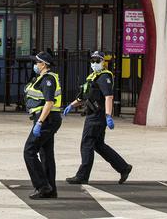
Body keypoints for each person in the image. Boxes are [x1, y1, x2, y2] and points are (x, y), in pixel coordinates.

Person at [64, 51, 133, 185]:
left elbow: (109, 97)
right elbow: (84, 96)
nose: (94, 63)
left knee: (87, 144)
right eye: (92, 60)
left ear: (103, 62)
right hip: (93, 114)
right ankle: (123, 167)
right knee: (98, 145)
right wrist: (71, 105)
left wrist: (108, 115)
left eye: (97, 60)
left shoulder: (104, 77)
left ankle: (82, 176)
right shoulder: (93, 77)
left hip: (97, 116)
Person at [23, 51, 63, 199]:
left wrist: (39, 123)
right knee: (46, 153)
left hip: (46, 119)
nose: (35, 65)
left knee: (29, 151)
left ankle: (42, 186)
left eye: (37, 62)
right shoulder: (41, 78)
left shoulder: (48, 80)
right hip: (46, 119)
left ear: (44, 64)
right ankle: (50, 189)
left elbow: (49, 102)